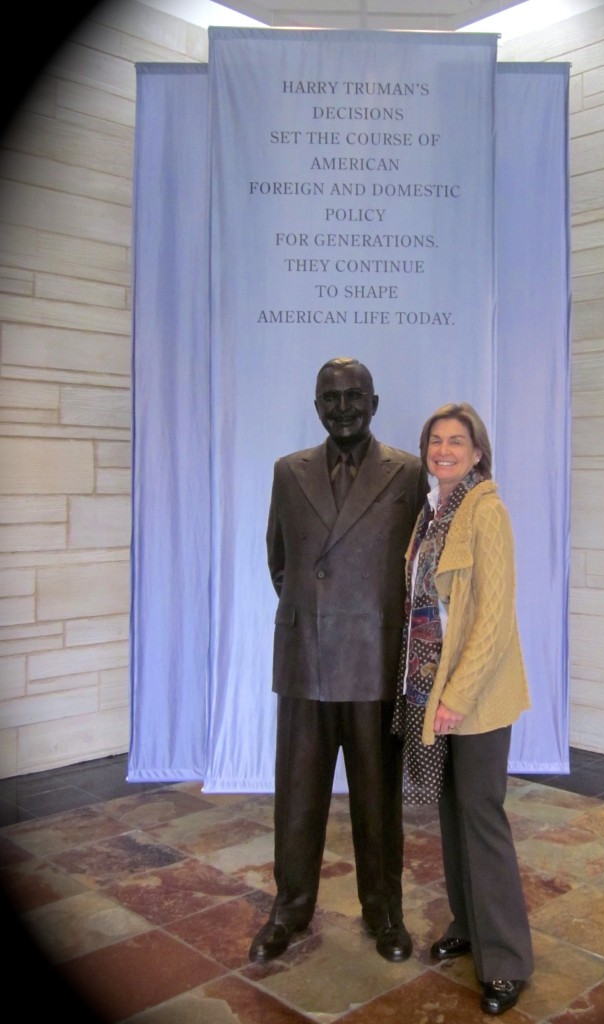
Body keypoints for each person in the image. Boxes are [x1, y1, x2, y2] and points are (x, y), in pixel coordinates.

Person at [249, 356, 428, 965]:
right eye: (331, 398)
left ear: (374, 403)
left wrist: (365, 621)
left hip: (374, 661)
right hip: (305, 658)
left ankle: (385, 913)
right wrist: (317, 616)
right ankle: (289, 910)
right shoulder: (287, 471)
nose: (343, 408)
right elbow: (281, 562)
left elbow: (414, 566)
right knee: (297, 797)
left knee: (378, 801)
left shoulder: (407, 472)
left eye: (355, 397)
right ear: (316, 405)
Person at [394, 402, 534, 1016]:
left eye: (457, 441)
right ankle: (468, 924)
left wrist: (457, 697)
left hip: (473, 695)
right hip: (430, 685)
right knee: (451, 812)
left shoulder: (486, 512)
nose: (444, 449)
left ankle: (506, 960)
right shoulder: (432, 514)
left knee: (481, 815)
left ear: (478, 452)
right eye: (435, 440)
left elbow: (493, 618)